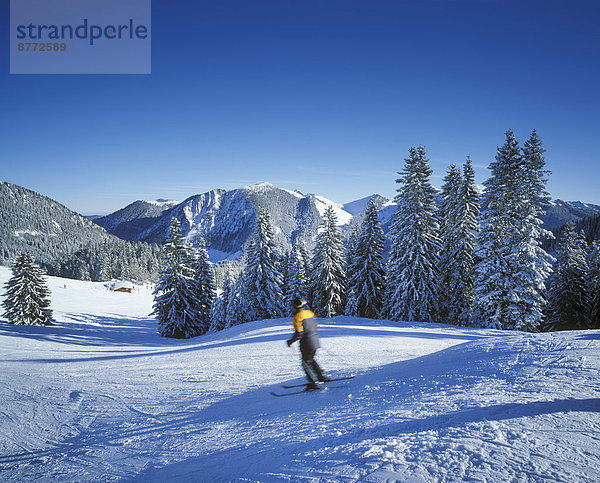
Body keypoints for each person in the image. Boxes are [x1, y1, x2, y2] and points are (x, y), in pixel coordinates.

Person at [287, 298, 330, 389]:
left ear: (294, 307)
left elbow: (299, 333)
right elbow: (315, 325)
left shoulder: (297, 317)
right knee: (310, 359)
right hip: (315, 340)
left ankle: (313, 382)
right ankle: (321, 376)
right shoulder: (309, 313)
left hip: (306, 343)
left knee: (305, 363)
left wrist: (290, 341)